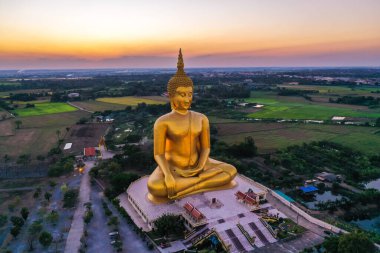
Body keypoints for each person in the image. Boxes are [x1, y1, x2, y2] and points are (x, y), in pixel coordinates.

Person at [147, 49, 237, 203]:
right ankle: (201, 182)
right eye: (182, 95)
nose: (188, 99)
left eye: (190, 94)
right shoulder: (163, 121)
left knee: (231, 170)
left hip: (200, 164)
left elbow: (206, 148)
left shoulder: (201, 118)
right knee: (155, 187)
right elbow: (159, 154)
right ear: (171, 95)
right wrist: (168, 175)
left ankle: (188, 186)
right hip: (173, 167)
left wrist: (201, 166)